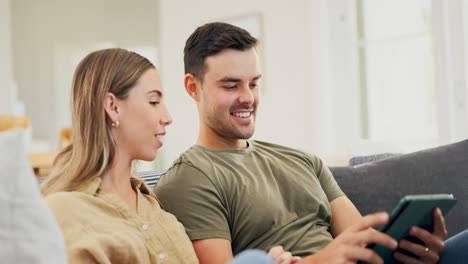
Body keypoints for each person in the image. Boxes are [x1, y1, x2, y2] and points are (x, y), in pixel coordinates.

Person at [154, 22, 468, 264]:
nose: (247, 97)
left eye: (253, 83)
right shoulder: (188, 178)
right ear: (193, 88)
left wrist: (419, 251)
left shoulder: (302, 160)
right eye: (231, 85)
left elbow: (366, 245)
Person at [41, 48, 292, 264]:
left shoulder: (157, 209)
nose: (167, 117)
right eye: (153, 102)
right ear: (113, 107)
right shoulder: (66, 207)